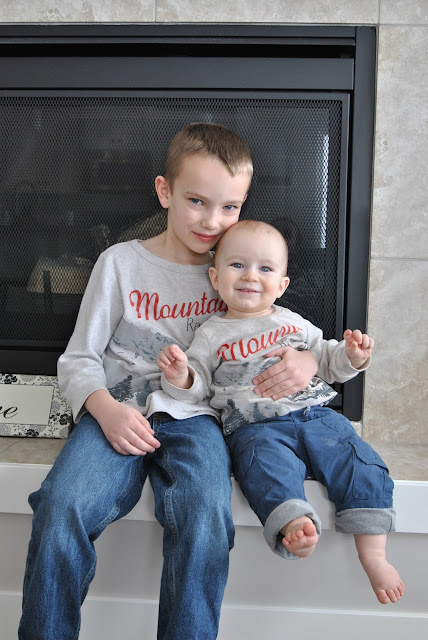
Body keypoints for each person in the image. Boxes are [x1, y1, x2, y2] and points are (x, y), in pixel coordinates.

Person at [18, 124, 319, 640]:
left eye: (229, 207)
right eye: (196, 201)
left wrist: (310, 361)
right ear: (164, 191)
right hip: (116, 414)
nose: (212, 221)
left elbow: (289, 331)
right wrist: (104, 410)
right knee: (62, 503)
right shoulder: (120, 264)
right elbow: (78, 358)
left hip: (197, 419)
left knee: (205, 515)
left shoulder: (238, 271)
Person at [157, 219, 405, 606]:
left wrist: (353, 356)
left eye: (265, 268)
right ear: (215, 277)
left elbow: (328, 359)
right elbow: (198, 385)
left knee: (359, 462)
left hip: (316, 415)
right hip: (255, 428)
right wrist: (180, 376)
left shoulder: (292, 322)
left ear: (281, 285)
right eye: (237, 265)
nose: (250, 276)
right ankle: (295, 522)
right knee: (263, 469)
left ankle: (374, 555)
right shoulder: (211, 334)